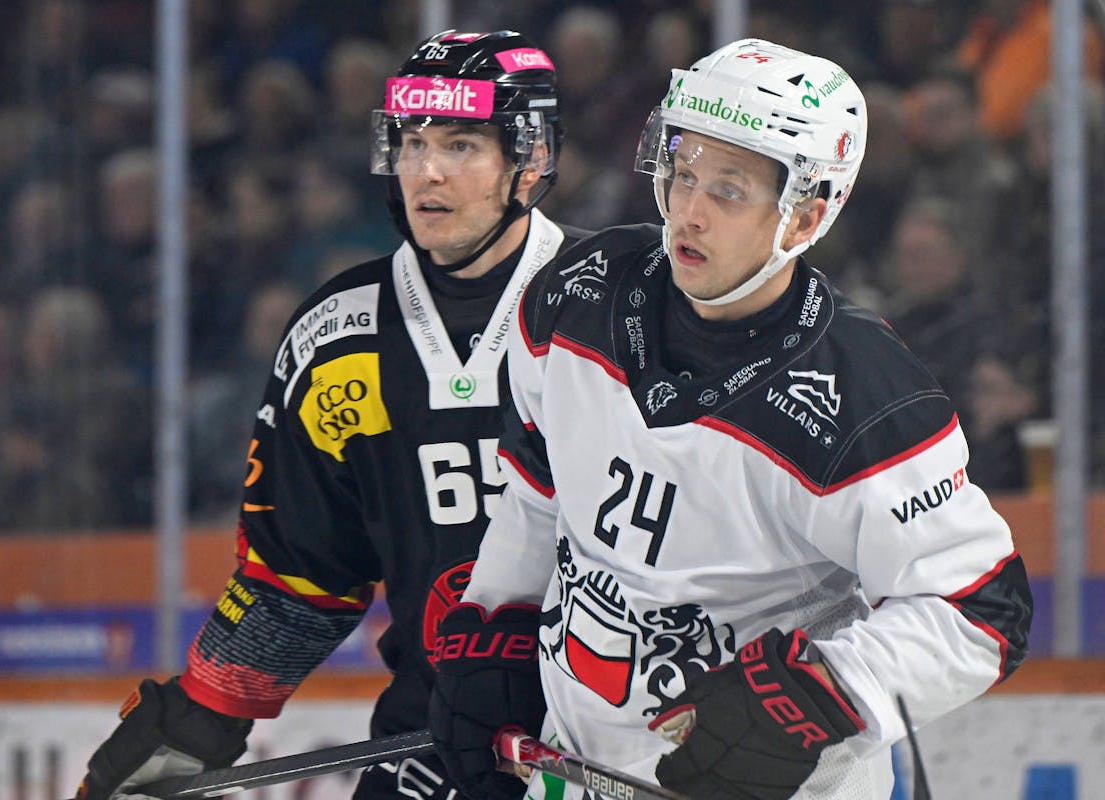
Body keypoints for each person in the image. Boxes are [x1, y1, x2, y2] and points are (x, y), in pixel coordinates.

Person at [427, 37, 1033, 800]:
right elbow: (535, 488)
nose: (689, 210)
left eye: (730, 190)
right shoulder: (580, 294)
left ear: (806, 211)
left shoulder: (862, 394)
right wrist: (499, 621)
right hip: (576, 772)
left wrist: (822, 694)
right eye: (681, 173)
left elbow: (979, 610)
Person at [73, 29, 590, 800]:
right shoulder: (342, 336)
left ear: (533, 158)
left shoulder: (616, 306)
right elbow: (301, 571)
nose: (428, 171)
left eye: (460, 144)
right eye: (411, 143)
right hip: (442, 734)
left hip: (620, 735)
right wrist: (205, 713)